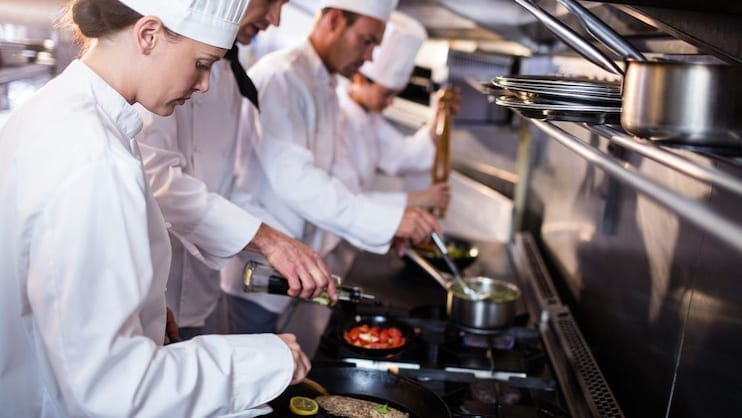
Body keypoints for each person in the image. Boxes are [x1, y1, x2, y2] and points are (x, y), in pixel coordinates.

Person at [0, 0, 310, 416]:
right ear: (147, 35)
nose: (204, 84)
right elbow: (114, 390)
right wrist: (268, 360)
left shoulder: (52, 109)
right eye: (202, 63)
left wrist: (139, 305)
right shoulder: (97, 159)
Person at [220, 0, 442, 334]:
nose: (369, 57)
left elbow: (335, 181)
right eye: (367, 41)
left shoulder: (324, 85)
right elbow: (298, 181)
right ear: (335, 20)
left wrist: (388, 226)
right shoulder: (282, 78)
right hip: (260, 274)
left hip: (300, 270)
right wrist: (388, 221)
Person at [135, 0, 334, 340]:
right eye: (272, 2)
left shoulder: (227, 75)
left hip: (201, 290)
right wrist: (267, 239)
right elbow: (159, 183)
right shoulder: (153, 65)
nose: (275, 19)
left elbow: (224, 185)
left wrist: (282, 243)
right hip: (150, 293)